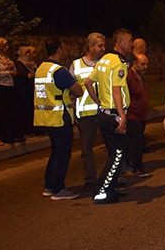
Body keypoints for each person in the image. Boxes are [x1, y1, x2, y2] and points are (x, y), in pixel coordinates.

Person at [85, 28, 133, 204]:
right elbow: (116, 90)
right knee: (117, 155)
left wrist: (99, 102)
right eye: (129, 41)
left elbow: (88, 83)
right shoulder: (118, 63)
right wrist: (122, 116)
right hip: (114, 115)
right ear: (120, 43)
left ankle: (109, 189)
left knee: (114, 154)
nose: (131, 44)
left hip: (104, 114)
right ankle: (101, 191)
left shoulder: (104, 60)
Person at [35, 37, 83, 201]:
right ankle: (58, 189)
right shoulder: (59, 71)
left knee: (55, 154)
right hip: (60, 118)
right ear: (59, 50)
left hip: (46, 118)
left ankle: (49, 186)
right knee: (62, 155)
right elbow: (78, 91)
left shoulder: (41, 69)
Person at [69, 32, 106, 192]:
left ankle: (114, 177)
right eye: (100, 46)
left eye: (104, 45)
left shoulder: (106, 63)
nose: (103, 49)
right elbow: (71, 91)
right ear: (90, 46)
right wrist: (73, 112)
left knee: (113, 147)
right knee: (87, 150)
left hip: (105, 112)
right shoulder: (76, 65)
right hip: (85, 115)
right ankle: (91, 180)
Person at [124, 53, 150, 177]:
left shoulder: (140, 77)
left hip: (141, 115)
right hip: (132, 114)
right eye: (142, 64)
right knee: (136, 141)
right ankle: (137, 166)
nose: (145, 67)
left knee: (136, 140)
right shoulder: (128, 76)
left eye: (146, 64)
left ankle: (130, 162)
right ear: (134, 64)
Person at [14, 45, 37, 139]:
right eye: (26, 53)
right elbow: (20, 72)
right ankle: (26, 130)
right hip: (23, 89)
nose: (29, 55)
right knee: (25, 109)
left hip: (31, 88)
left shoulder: (32, 63)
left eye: (29, 53)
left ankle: (32, 129)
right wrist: (27, 74)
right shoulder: (19, 63)